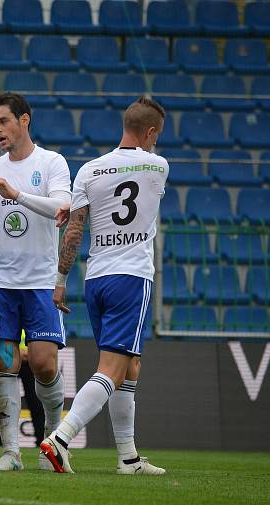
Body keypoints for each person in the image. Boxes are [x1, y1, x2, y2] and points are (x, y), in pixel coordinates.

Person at [41, 96, 168, 475]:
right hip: (131, 276)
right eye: (156, 135)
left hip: (96, 279)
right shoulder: (158, 165)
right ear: (149, 132)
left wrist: (60, 281)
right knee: (112, 368)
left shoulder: (90, 170)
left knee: (130, 366)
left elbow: (74, 230)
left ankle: (128, 458)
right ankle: (60, 438)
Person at [0, 93, 71, 471]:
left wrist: (16, 194)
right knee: (4, 363)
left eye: (4, 121)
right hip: (0, 281)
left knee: (43, 363)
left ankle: (53, 441)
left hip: (39, 281)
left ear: (24, 120)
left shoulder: (52, 162)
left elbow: (61, 209)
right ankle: (10, 453)